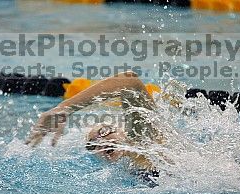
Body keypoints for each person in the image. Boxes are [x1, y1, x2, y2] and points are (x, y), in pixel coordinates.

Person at [25, 71, 166, 186]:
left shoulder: (144, 140)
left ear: (122, 130)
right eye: (92, 145)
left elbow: (129, 81)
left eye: (104, 131)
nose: (102, 141)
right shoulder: (130, 170)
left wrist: (64, 108)